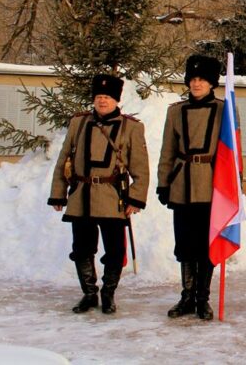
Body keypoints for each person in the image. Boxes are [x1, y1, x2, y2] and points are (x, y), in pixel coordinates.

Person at [49, 74, 149, 315]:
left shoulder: (131, 127)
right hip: (81, 196)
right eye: (99, 96)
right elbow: (64, 159)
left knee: (115, 251)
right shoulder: (78, 123)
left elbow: (141, 168)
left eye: (107, 97)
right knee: (82, 249)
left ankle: (108, 294)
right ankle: (89, 293)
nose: (102, 101)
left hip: (112, 198)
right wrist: (58, 193)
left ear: (116, 100)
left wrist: (135, 198)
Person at [156, 55, 225, 321]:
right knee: (185, 245)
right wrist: (164, 183)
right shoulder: (175, 111)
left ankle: (202, 299)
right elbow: (168, 150)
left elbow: (232, 152)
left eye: (202, 80)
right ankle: (187, 296)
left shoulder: (224, 110)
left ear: (212, 83)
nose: (196, 84)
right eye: (193, 79)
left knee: (206, 246)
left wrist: (231, 186)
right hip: (182, 185)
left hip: (210, 187)